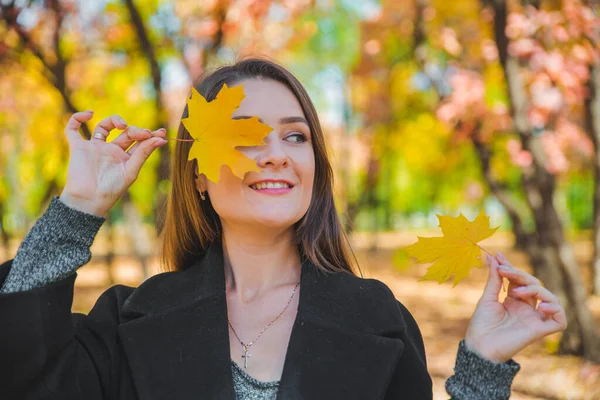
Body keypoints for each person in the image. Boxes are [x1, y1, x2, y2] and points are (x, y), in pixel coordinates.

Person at [0, 58, 566, 400]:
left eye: (296, 136)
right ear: (198, 175)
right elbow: (21, 378)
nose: (276, 155)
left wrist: (482, 368)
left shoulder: (379, 319)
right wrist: (79, 206)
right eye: (245, 135)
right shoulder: (128, 321)